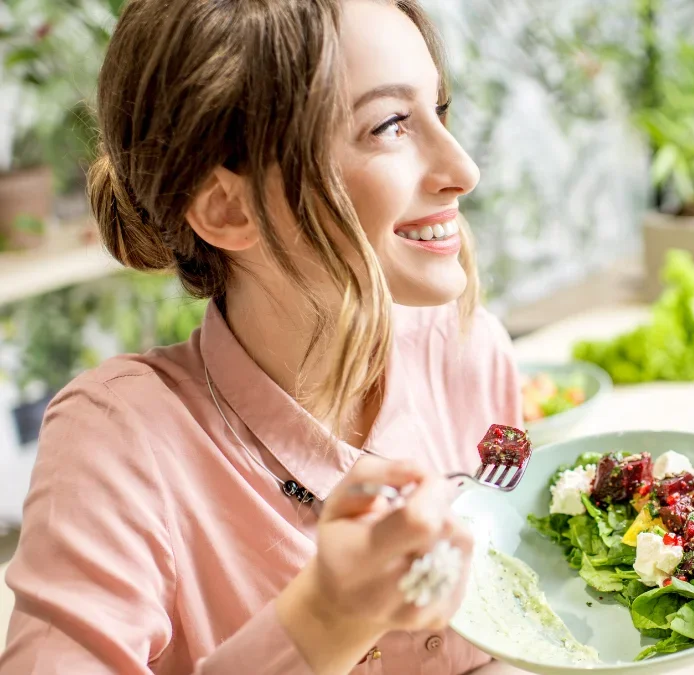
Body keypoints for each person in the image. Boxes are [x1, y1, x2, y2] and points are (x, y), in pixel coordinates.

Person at [0, 0, 521, 673]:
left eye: (439, 111)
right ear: (227, 207)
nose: (463, 168)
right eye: (391, 124)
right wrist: (326, 616)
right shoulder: (118, 442)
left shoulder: (470, 351)